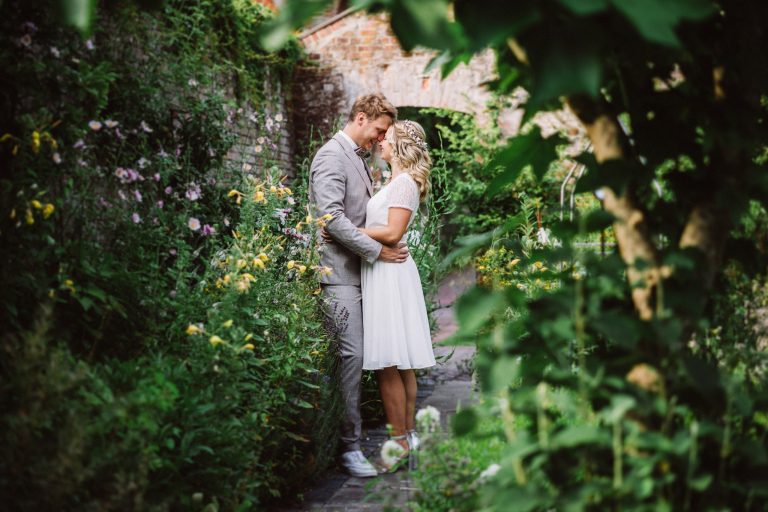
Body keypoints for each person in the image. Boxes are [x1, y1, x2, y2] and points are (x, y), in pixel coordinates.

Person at [309, 93, 409, 478]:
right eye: (378, 131)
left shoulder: (358, 157)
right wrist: (378, 252)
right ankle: (349, 449)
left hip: (361, 273)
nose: (379, 140)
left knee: (360, 358)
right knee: (351, 356)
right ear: (362, 118)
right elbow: (330, 219)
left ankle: (347, 441)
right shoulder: (331, 156)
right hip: (338, 275)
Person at [359, 120, 436, 470]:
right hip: (386, 271)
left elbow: (392, 232)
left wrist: (351, 231)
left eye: (387, 139)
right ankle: (406, 437)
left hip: (390, 274)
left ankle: (400, 442)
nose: (381, 143)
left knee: (390, 362)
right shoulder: (395, 181)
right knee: (398, 361)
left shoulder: (403, 183)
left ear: (401, 147)